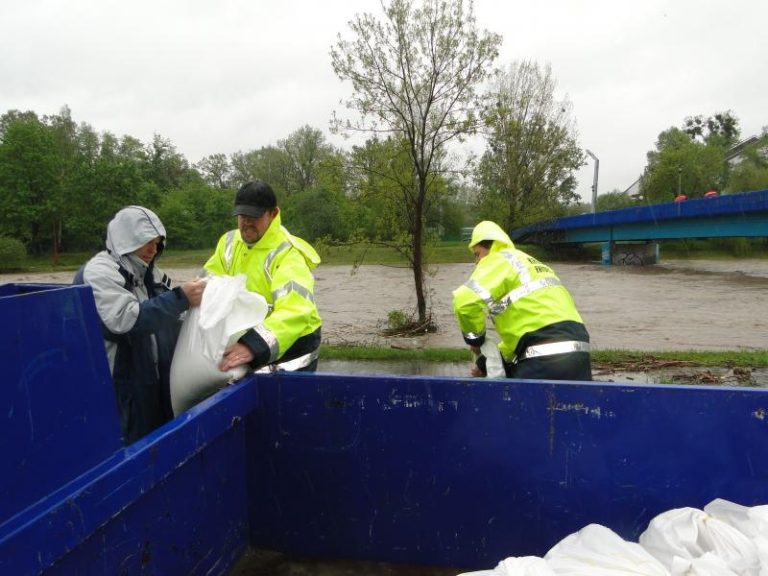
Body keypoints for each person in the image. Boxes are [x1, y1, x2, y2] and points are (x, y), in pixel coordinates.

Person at [75, 206, 206, 443]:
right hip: (123, 386)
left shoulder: (151, 272)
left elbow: (171, 319)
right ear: (125, 239)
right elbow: (125, 322)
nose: (152, 249)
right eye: (146, 241)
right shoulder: (99, 273)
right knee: (133, 453)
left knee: (162, 446)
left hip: (156, 381)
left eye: (157, 243)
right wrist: (181, 298)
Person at [204, 180, 322, 374]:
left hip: (293, 350)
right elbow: (209, 283)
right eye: (243, 215)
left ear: (273, 214)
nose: (247, 222)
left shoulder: (288, 254)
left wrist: (252, 345)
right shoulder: (229, 242)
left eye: (255, 216)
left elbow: (296, 310)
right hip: (248, 342)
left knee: (284, 404)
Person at [452, 220, 592, 381]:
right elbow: (527, 332)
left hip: (543, 355)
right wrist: (484, 363)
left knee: (512, 404)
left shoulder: (497, 260)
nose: (476, 262)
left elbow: (464, 302)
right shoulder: (531, 262)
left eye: (477, 254)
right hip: (580, 353)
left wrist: (475, 340)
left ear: (491, 247)